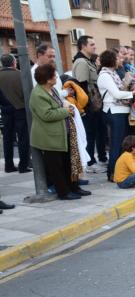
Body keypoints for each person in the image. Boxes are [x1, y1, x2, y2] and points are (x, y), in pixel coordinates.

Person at [30, 64, 90, 200]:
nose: (57, 77)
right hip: (49, 137)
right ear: (47, 79)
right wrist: (66, 111)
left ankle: (73, 187)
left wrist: (67, 106)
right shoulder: (38, 94)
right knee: (56, 167)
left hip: (62, 134)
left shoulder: (52, 90)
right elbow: (47, 115)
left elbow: (59, 104)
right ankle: (63, 192)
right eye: (54, 75)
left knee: (68, 163)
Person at [97, 50, 135, 182]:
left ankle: (121, 170)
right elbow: (117, 94)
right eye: (118, 58)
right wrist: (132, 94)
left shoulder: (113, 73)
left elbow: (121, 90)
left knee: (122, 144)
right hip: (113, 111)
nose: (121, 60)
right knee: (116, 144)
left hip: (121, 110)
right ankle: (112, 173)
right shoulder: (105, 75)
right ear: (111, 60)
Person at [72, 35, 106, 171]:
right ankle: (90, 163)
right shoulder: (81, 62)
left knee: (95, 132)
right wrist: (87, 107)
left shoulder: (88, 61)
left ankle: (94, 160)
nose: (94, 46)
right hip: (88, 105)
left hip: (93, 104)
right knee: (89, 134)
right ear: (83, 46)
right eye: (91, 44)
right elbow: (81, 86)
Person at [0, 54, 30, 173]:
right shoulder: (20, 74)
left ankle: (9, 166)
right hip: (20, 109)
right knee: (23, 138)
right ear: (13, 62)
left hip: (5, 109)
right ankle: (23, 166)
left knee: (7, 138)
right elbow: (26, 92)